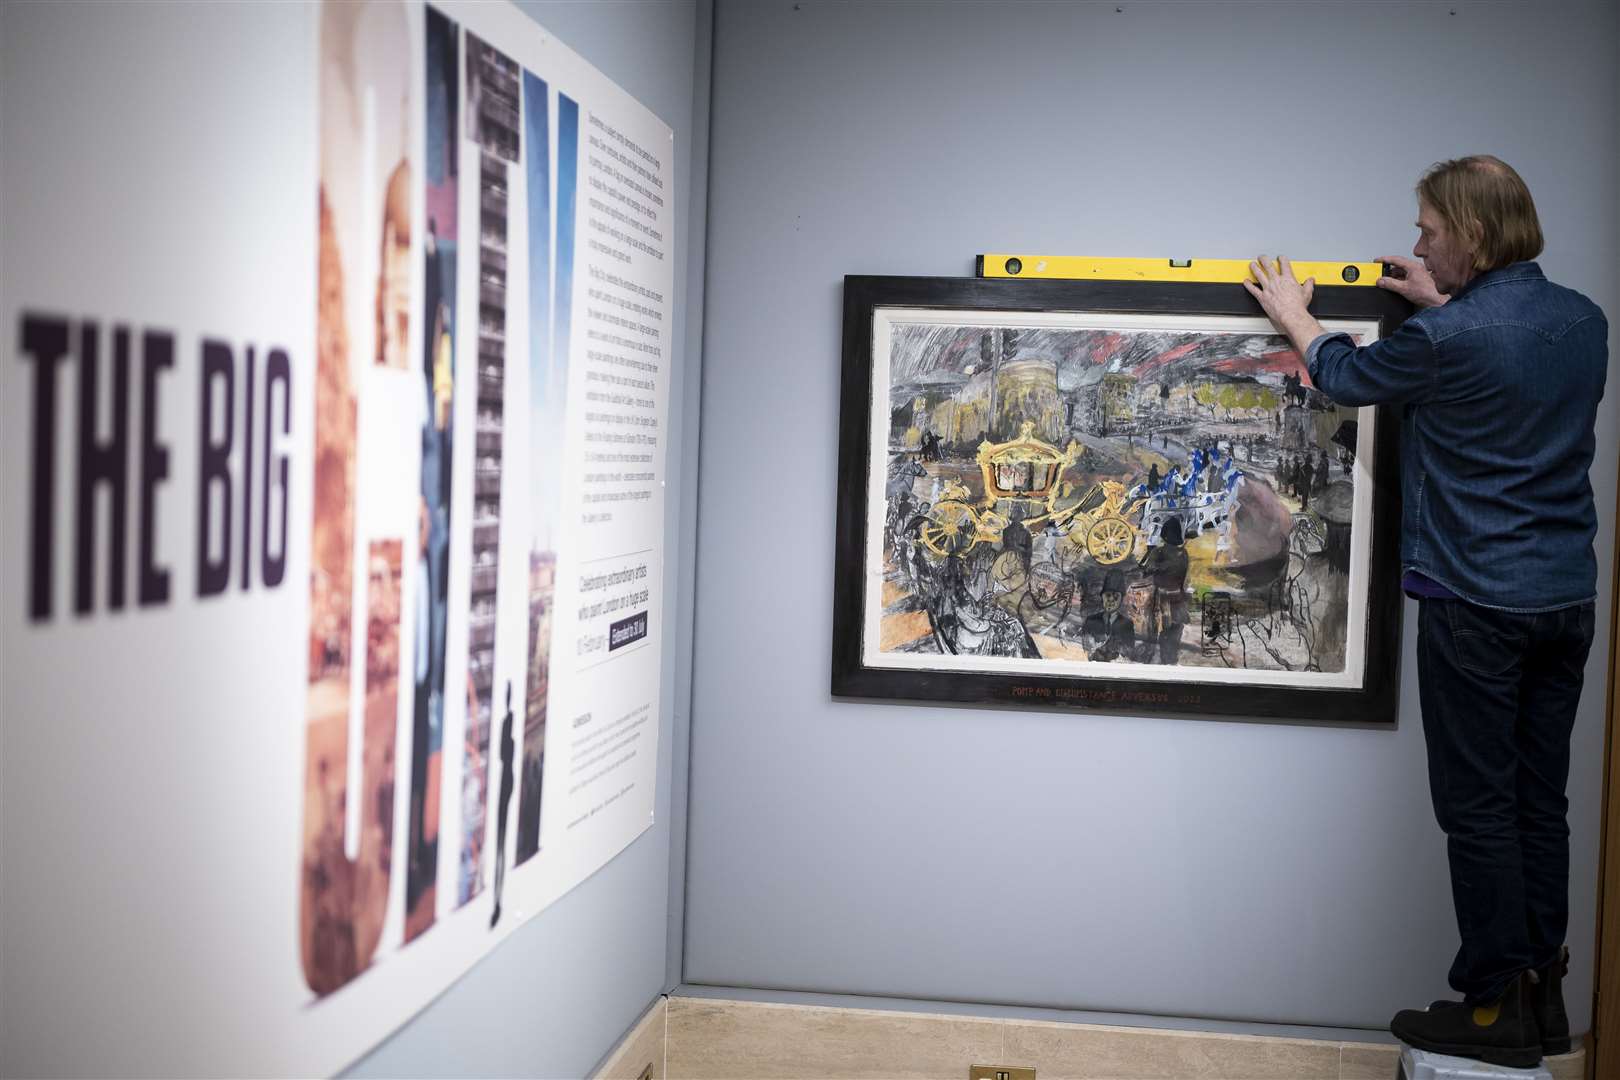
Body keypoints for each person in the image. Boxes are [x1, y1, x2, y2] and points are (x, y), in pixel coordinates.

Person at [1244, 155, 1607, 1069]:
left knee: (1477, 806)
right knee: (1537, 800)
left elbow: (1343, 377)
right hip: (1564, 599)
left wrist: (1295, 314)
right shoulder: (1583, 321)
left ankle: (1490, 1005)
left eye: (1429, 230)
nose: (1417, 244)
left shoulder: (1452, 343)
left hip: (1475, 601)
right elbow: (1504, 365)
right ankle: (1544, 995)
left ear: (1473, 238)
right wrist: (1450, 308)